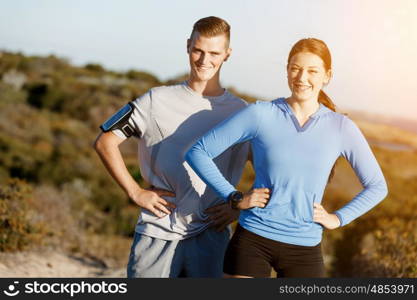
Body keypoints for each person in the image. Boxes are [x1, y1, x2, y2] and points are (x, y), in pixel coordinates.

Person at [185, 38, 388, 278]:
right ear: (287, 70)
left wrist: (338, 218)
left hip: (305, 248)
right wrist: (235, 197)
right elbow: (198, 152)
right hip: (253, 239)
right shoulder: (260, 114)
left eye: (312, 71)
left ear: (327, 76)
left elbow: (377, 187)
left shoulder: (341, 127)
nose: (302, 78)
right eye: (295, 68)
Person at [94, 16, 249, 278]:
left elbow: (271, 168)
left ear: (227, 55)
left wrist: (239, 204)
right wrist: (135, 192)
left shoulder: (241, 112)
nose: (204, 60)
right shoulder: (155, 100)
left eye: (214, 53)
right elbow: (105, 142)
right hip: (157, 231)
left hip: (212, 234)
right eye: (198, 50)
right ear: (188, 45)